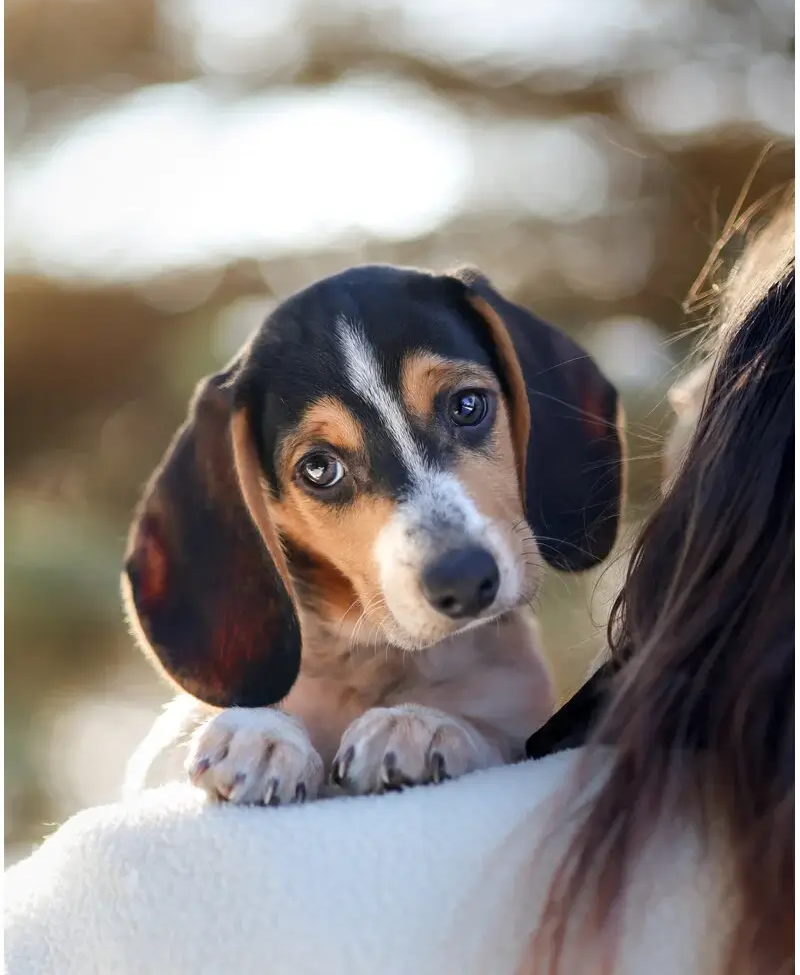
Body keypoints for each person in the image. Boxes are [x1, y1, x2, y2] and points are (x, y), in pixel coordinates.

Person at [5, 201, 793, 975]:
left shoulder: (536, 705)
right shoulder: (241, 697)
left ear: (525, 401)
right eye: (322, 468)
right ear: (251, 506)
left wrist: (463, 739)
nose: (445, 538)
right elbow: (162, 792)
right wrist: (258, 723)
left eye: (466, 408)